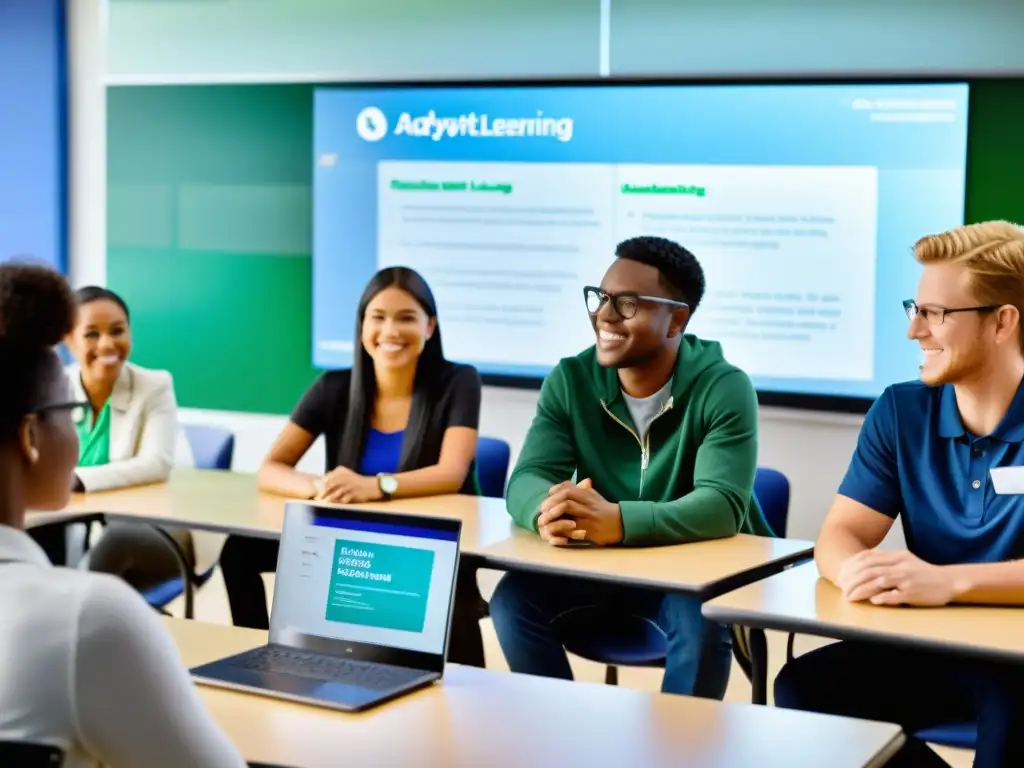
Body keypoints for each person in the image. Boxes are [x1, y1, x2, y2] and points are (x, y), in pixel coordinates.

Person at [773, 221, 1024, 768]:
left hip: (1018, 659)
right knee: (804, 691)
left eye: (936, 314)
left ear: (1003, 322)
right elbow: (841, 534)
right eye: (916, 308)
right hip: (928, 645)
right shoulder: (900, 410)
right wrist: (858, 573)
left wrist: (946, 582)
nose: (915, 331)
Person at [489, 235, 772, 698]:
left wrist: (619, 522)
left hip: (687, 574)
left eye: (627, 304)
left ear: (676, 318)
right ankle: (554, 735)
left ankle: (679, 756)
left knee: (700, 622)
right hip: (595, 568)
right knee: (512, 601)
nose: (603, 315)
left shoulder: (724, 387)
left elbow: (721, 506)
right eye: (600, 299)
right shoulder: (571, 379)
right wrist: (549, 511)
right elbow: (526, 478)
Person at [0, 261, 244, 767]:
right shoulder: (89, 620)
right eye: (65, 413)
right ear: (29, 437)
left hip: (144, 531)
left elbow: (156, 463)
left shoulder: (152, 384)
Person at [219, 266, 482, 631]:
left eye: (406, 318)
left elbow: (451, 474)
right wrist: (321, 488)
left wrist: (374, 485)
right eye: (378, 317)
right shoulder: (334, 386)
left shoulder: (459, 381)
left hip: (420, 544)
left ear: (429, 327)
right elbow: (271, 468)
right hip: (348, 539)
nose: (390, 331)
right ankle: (257, 652)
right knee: (239, 551)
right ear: (362, 327)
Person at [61, 286, 221, 592]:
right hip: (77, 527)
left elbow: (155, 464)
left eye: (117, 331)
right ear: (68, 339)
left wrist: (78, 479)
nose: (107, 344)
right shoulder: (57, 385)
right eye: (91, 334)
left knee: (113, 545)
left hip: (161, 529)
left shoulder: (155, 385)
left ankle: (84, 623)